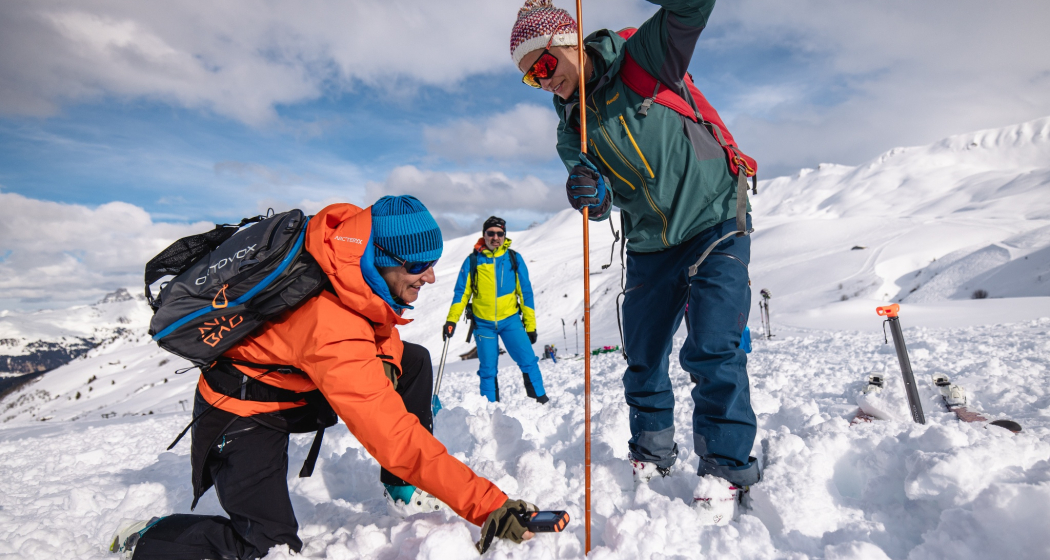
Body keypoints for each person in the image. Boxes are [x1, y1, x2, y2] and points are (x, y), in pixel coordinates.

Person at [111, 197, 543, 558]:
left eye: (432, 264)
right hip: (242, 410)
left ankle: (401, 487)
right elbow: (395, 440)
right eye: (418, 266)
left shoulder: (349, 255)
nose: (430, 276)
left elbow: (379, 329)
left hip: (297, 381)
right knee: (266, 544)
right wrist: (491, 507)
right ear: (384, 260)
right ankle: (150, 538)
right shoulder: (332, 328)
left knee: (411, 360)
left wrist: (389, 371)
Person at [509, 0, 759, 524]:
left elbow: (690, 11)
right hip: (650, 243)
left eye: (545, 65)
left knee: (712, 348)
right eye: (531, 78)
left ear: (570, 43)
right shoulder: (571, 131)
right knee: (643, 355)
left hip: (714, 216)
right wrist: (590, 195)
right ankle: (652, 452)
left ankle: (726, 468)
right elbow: (599, 207)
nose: (543, 81)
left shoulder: (641, 59)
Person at [443, 216, 548, 404]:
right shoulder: (473, 261)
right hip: (483, 325)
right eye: (491, 233)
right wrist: (451, 320)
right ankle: (491, 411)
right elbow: (461, 294)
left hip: (511, 322)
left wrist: (530, 326)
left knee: (528, 361)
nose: (495, 237)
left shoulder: (513, 259)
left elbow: (525, 294)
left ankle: (540, 401)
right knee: (488, 370)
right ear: (484, 235)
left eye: (500, 233)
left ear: (504, 236)